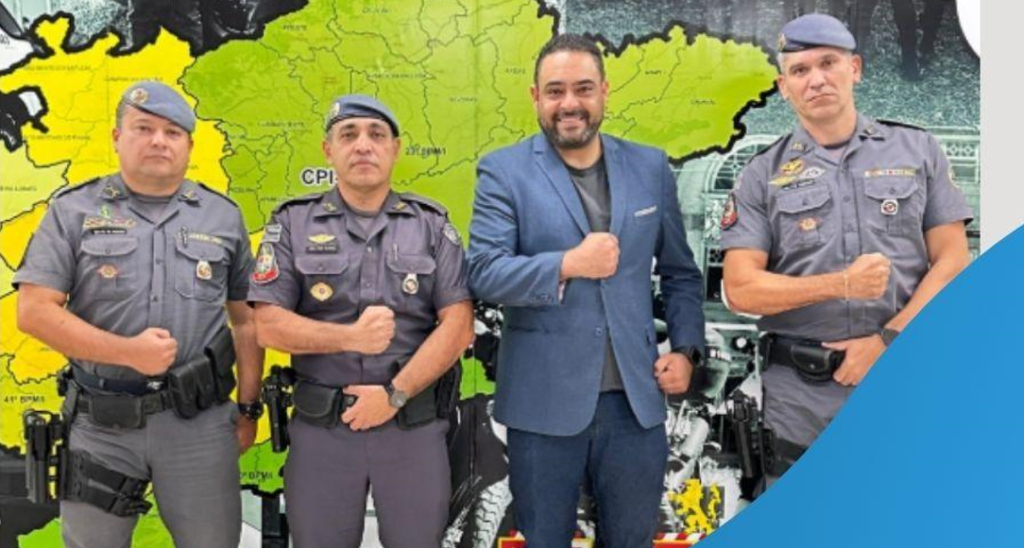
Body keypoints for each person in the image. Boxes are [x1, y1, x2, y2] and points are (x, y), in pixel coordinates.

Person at [466, 34, 706, 547]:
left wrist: (686, 350)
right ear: (536, 97)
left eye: (583, 88)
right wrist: (567, 265)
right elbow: (484, 272)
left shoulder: (649, 167)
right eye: (555, 91)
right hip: (542, 406)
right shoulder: (503, 172)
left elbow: (681, 273)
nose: (569, 103)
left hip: (634, 406)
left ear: (604, 91)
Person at [721, 13, 972, 480]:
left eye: (828, 63)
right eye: (799, 70)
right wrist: (840, 284)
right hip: (800, 401)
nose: (816, 79)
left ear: (854, 68)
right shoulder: (761, 174)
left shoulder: (918, 150)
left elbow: (953, 261)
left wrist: (886, 342)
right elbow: (740, 289)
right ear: (784, 87)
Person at [14, 80, 263, 548]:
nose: (158, 141)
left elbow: (247, 321)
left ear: (189, 145)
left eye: (172, 132)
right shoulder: (73, 211)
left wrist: (249, 408)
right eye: (143, 128)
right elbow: (34, 312)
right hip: (101, 426)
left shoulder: (222, 216)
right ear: (117, 137)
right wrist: (127, 352)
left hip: (199, 426)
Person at [249, 94, 474, 548]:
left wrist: (394, 395)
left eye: (376, 135)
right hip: (322, 435)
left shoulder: (431, 224)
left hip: (411, 432)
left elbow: (459, 326)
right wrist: (350, 337)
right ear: (327, 150)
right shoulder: (292, 223)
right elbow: (268, 325)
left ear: (395, 148)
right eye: (348, 135)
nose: (363, 145)